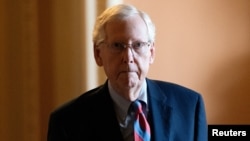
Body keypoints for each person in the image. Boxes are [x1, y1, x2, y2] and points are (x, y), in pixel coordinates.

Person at [47, 4, 207, 141]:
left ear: (151, 53)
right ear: (98, 54)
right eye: (117, 46)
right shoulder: (67, 122)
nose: (128, 57)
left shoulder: (189, 107)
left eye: (138, 45)